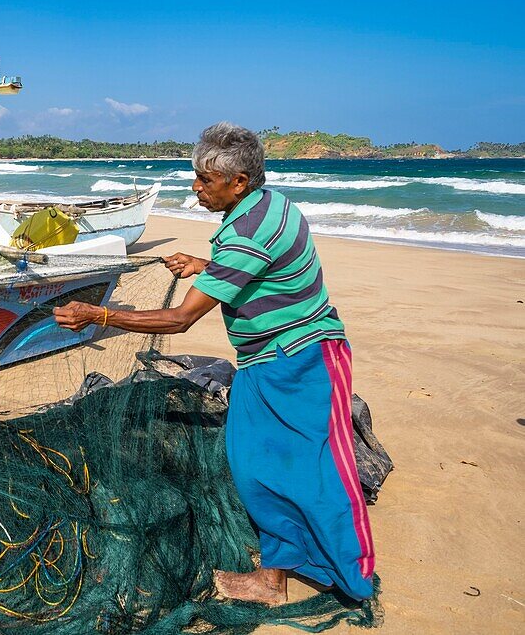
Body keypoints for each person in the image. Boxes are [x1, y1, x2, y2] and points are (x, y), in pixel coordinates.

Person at [53, 122, 374, 605]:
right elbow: (257, 268)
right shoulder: (268, 206)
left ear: (239, 182)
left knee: (320, 469)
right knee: (253, 464)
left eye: (205, 180)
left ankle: (353, 579)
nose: (196, 188)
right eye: (197, 176)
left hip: (306, 358)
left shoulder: (246, 230)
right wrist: (206, 266)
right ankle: (277, 574)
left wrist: (99, 314)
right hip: (264, 359)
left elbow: (181, 319)